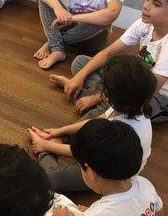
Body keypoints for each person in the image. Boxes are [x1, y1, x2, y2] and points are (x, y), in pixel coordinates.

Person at [28, 54, 156, 191]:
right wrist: (61, 130)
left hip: (112, 173)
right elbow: (98, 120)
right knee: (89, 120)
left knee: (53, 178)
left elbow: (84, 152)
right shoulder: (130, 105)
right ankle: (57, 139)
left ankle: (45, 150)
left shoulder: (122, 132)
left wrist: (45, 146)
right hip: (104, 149)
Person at [50, 0, 168, 122]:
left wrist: (99, 97)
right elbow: (109, 53)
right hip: (135, 80)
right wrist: (77, 78)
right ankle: (89, 94)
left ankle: (92, 103)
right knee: (80, 63)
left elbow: (147, 90)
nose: (145, 6)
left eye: (156, 4)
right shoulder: (145, 24)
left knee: (122, 107)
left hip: (155, 95)